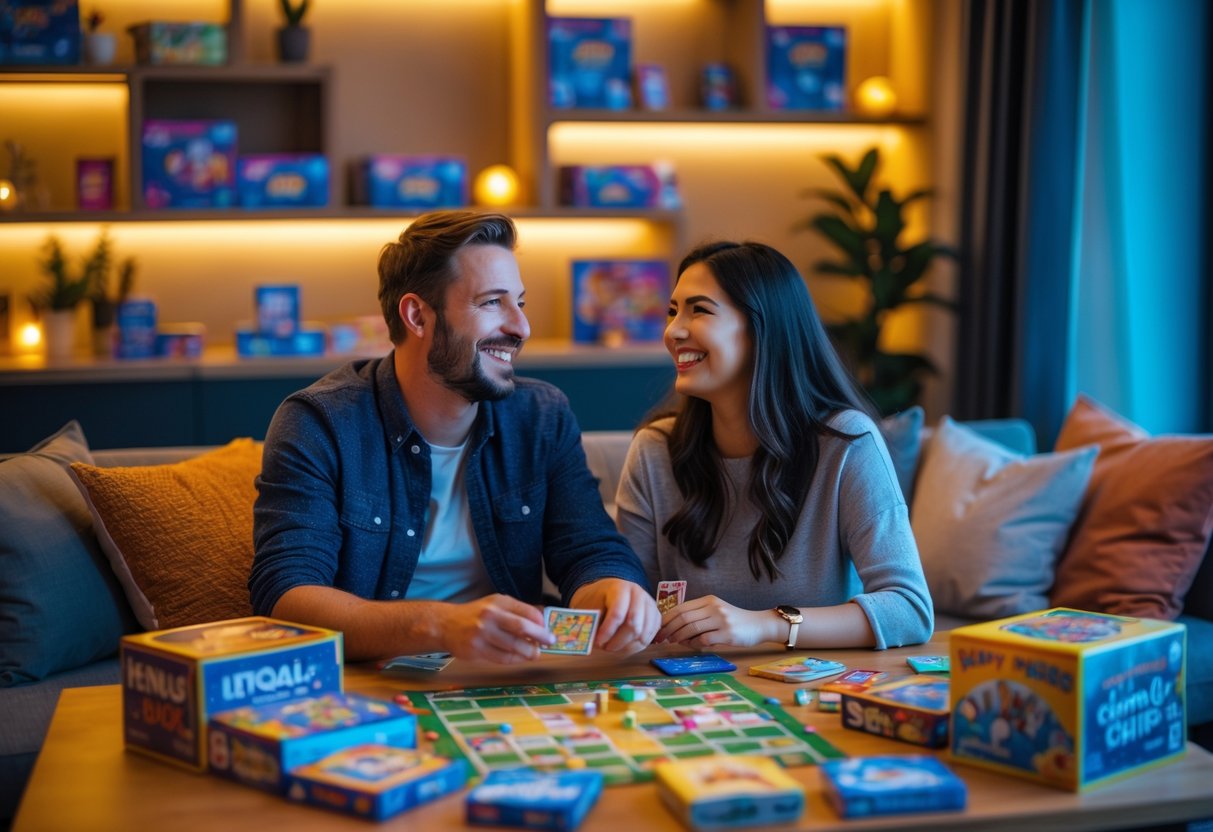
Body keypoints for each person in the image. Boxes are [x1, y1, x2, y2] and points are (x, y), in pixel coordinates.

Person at [250, 210, 660, 664]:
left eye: (520, 303)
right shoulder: (320, 422)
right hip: (371, 683)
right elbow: (285, 596)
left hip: (503, 681)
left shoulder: (540, 416)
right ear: (417, 316)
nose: (521, 327)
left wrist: (612, 589)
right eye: (491, 303)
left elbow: (588, 547)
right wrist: (442, 626)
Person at [614, 240, 933, 651]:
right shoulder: (654, 451)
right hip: (696, 694)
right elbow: (634, 605)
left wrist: (766, 625)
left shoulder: (846, 442)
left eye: (700, 310)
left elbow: (909, 609)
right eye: (673, 311)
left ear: (762, 329)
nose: (673, 331)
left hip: (812, 691)